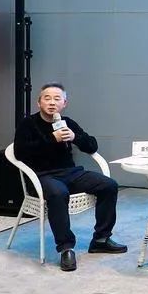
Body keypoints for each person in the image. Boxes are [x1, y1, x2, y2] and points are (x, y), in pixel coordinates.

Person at [13, 82, 127, 272]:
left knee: (109, 185)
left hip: (71, 173)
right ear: (39, 103)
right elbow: (20, 152)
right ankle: (66, 248)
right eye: (47, 98)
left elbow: (92, 145)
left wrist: (75, 137)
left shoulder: (67, 122)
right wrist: (53, 139)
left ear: (64, 103)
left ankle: (101, 239)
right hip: (42, 176)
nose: (52, 103)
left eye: (57, 99)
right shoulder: (28, 124)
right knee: (58, 193)